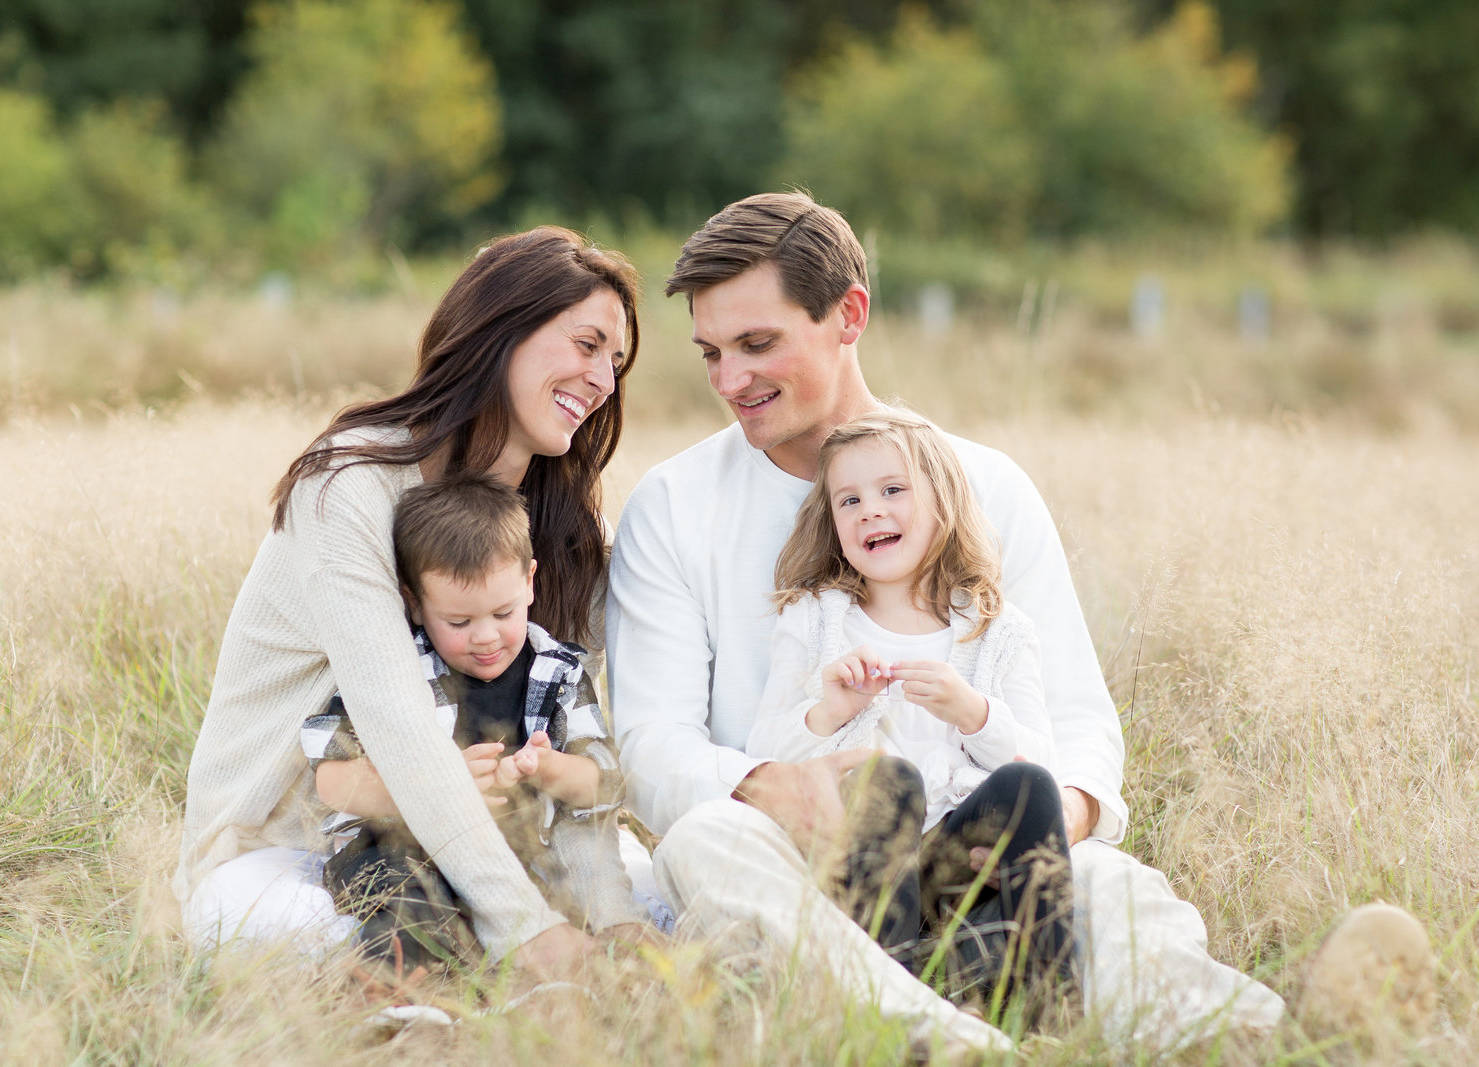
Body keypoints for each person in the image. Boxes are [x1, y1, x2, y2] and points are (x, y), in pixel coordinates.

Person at [605, 192, 1286, 1054]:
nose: (729, 380)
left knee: (1116, 886)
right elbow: (651, 745)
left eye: (758, 343)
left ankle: (1267, 1035)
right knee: (706, 840)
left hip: (980, 848)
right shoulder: (674, 503)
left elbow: (1077, 721)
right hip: (796, 856)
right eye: (711, 353)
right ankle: (947, 1042)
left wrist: (1040, 826)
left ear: (848, 314)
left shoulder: (987, 485)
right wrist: (775, 788)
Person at [176, 226, 643, 988]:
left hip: (505, 846)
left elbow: (614, 710)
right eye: (587, 344)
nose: (603, 380)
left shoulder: (562, 523)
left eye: (616, 362)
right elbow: (397, 727)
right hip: (302, 850)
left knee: (664, 901)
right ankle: (458, 967)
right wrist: (528, 927)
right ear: (502, 330)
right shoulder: (348, 484)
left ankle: (494, 948)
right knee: (288, 932)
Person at [745, 408, 1074, 1008]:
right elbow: (764, 755)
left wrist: (974, 713)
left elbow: (1046, 765)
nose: (870, 508)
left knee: (1027, 783)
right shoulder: (815, 619)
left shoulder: (998, 631)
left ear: (943, 503)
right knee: (886, 777)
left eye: (893, 490)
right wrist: (831, 710)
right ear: (834, 522)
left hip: (955, 863)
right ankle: (887, 995)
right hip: (859, 864)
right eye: (849, 500)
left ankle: (1054, 1001)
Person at [302, 472, 645, 975]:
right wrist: (434, 787)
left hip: (523, 857)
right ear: (415, 603)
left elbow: (603, 783)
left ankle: (601, 956)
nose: (485, 637)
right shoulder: (397, 668)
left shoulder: (558, 671)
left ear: (530, 581)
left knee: (585, 859)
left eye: (503, 612)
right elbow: (331, 778)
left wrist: (546, 768)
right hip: (402, 851)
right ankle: (400, 988)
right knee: (407, 895)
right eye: (459, 623)